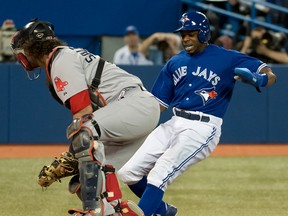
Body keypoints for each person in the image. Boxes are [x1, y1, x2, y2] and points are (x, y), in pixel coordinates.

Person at [118, 11, 276, 216]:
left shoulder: (226, 57)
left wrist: (261, 79)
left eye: (190, 33)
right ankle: (163, 211)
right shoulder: (174, 62)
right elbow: (157, 104)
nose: (185, 38)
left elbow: (269, 73)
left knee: (159, 173)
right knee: (128, 172)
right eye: (183, 34)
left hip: (202, 128)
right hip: (175, 121)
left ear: (203, 33)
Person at [10, 19, 160, 216]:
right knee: (85, 180)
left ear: (31, 46)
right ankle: (118, 212)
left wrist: (71, 156)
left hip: (134, 105)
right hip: (134, 109)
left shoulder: (59, 59)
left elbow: (83, 115)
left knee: (83, 131)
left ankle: (94, 211)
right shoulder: (64, 57)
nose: (20, 55)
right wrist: (74, 158)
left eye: (21, 49)